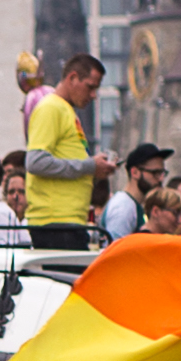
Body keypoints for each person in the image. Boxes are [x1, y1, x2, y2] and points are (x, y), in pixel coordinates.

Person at [17, 53, 111, 249]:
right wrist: (90, 166)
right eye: (90, 87)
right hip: (55, 224)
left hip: (64, 223)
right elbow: (36, 162)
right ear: (73, 78)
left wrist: (93, 168)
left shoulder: (63, 110)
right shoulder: (51, 108)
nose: (93, 95)